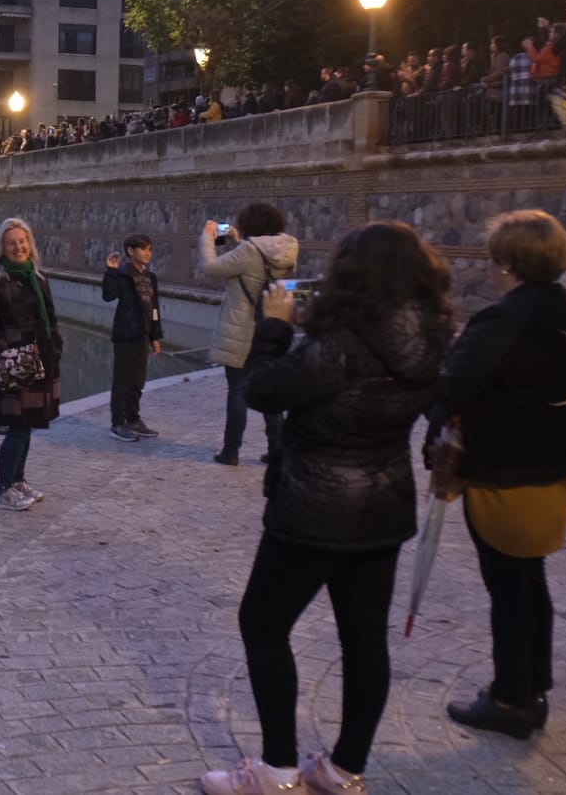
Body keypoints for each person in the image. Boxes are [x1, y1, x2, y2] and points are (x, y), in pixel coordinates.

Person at [201, 222, 454, 795]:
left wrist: (274, 326)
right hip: (383, 509)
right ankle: (344, 769)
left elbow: (262, 390)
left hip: (313, 507)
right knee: (364, 640)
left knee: (262, 625)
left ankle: (277, 769)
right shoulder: (434, 336)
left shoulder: (338, 345)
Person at [425, 210, 566, 740]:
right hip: (555, 468)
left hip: (507, 472)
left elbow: (454, 386)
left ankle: (511, 699)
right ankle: (533, 685)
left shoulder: (506, 317)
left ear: (505, 261)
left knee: (509, 585)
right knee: (529, 577)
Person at [199, 203, 299, 466]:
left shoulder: (247, 251)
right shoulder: (289, 247)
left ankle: (231, 451)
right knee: (272, 388)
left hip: (242, 327)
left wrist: (208, 238)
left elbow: (211, 267)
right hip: (273, 326)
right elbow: (258, 263)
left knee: (237, 390)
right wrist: (240, 242)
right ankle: (277, 448)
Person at [0, 217, 64, 511]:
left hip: (40, 366)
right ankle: (4, 488)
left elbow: (50, 321)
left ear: (30, 244)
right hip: (12, 370)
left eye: (22, 241)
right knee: (17, 427)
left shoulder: (38, 280)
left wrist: (55, 350)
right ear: (1, 247)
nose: (18, 247)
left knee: (28, 426)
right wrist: (8, 359)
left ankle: (18, 480)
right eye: (11, 242)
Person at [102, 233, 164, 441]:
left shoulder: (150, 278)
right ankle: (117, 423)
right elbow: (108, 295)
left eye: (150, 249)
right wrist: (110, 270)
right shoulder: (122, 274)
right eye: (143, 248)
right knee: (122, 381)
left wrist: (155, 336)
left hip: (143, 336)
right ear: (131, 251)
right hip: (126, 335)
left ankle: (133, 419)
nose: (148, 253)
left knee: (137, 381)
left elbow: (154, 308)